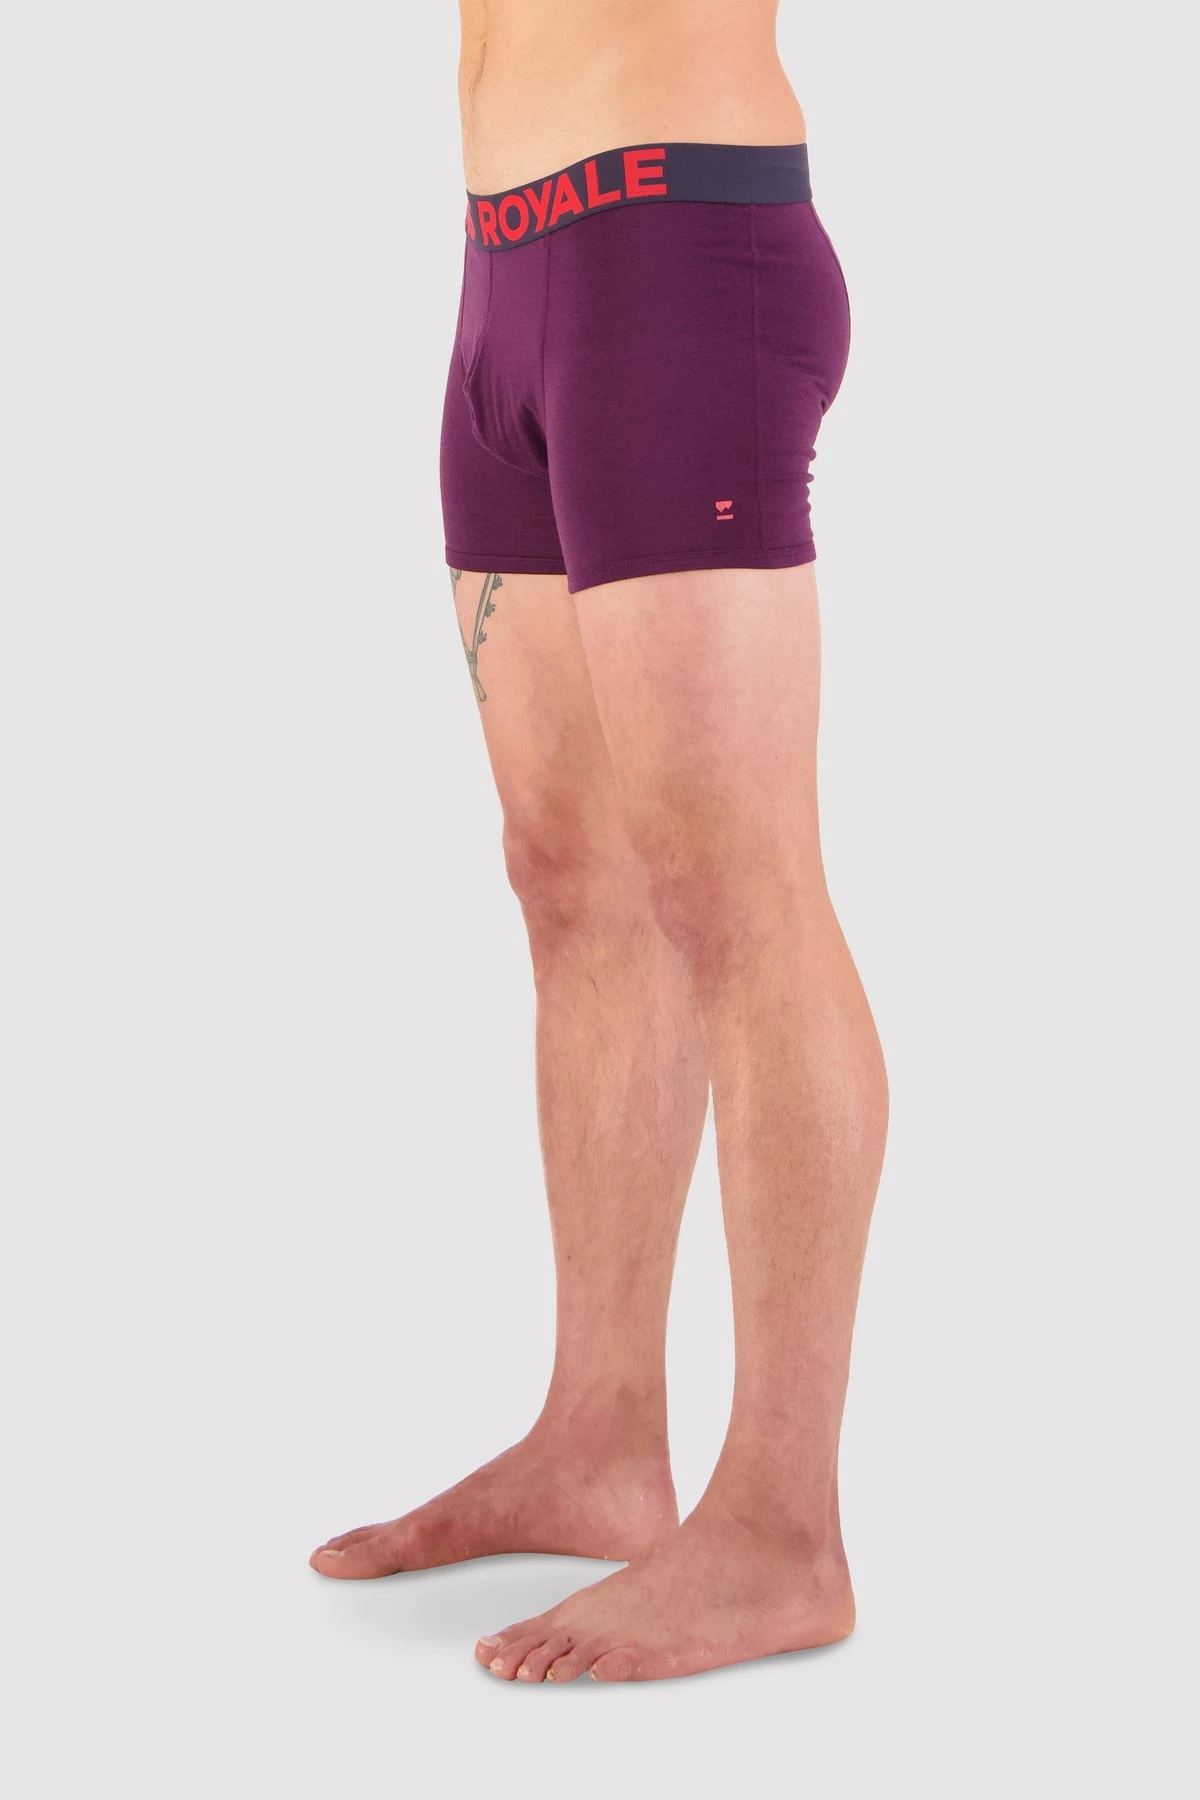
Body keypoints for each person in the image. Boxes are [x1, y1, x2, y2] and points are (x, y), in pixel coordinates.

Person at [311, 0, 888, 1685]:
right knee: (569, 880)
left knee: (736, 892)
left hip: (672, 242)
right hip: (505, 259)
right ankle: (598, 1439)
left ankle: (782, 1529)